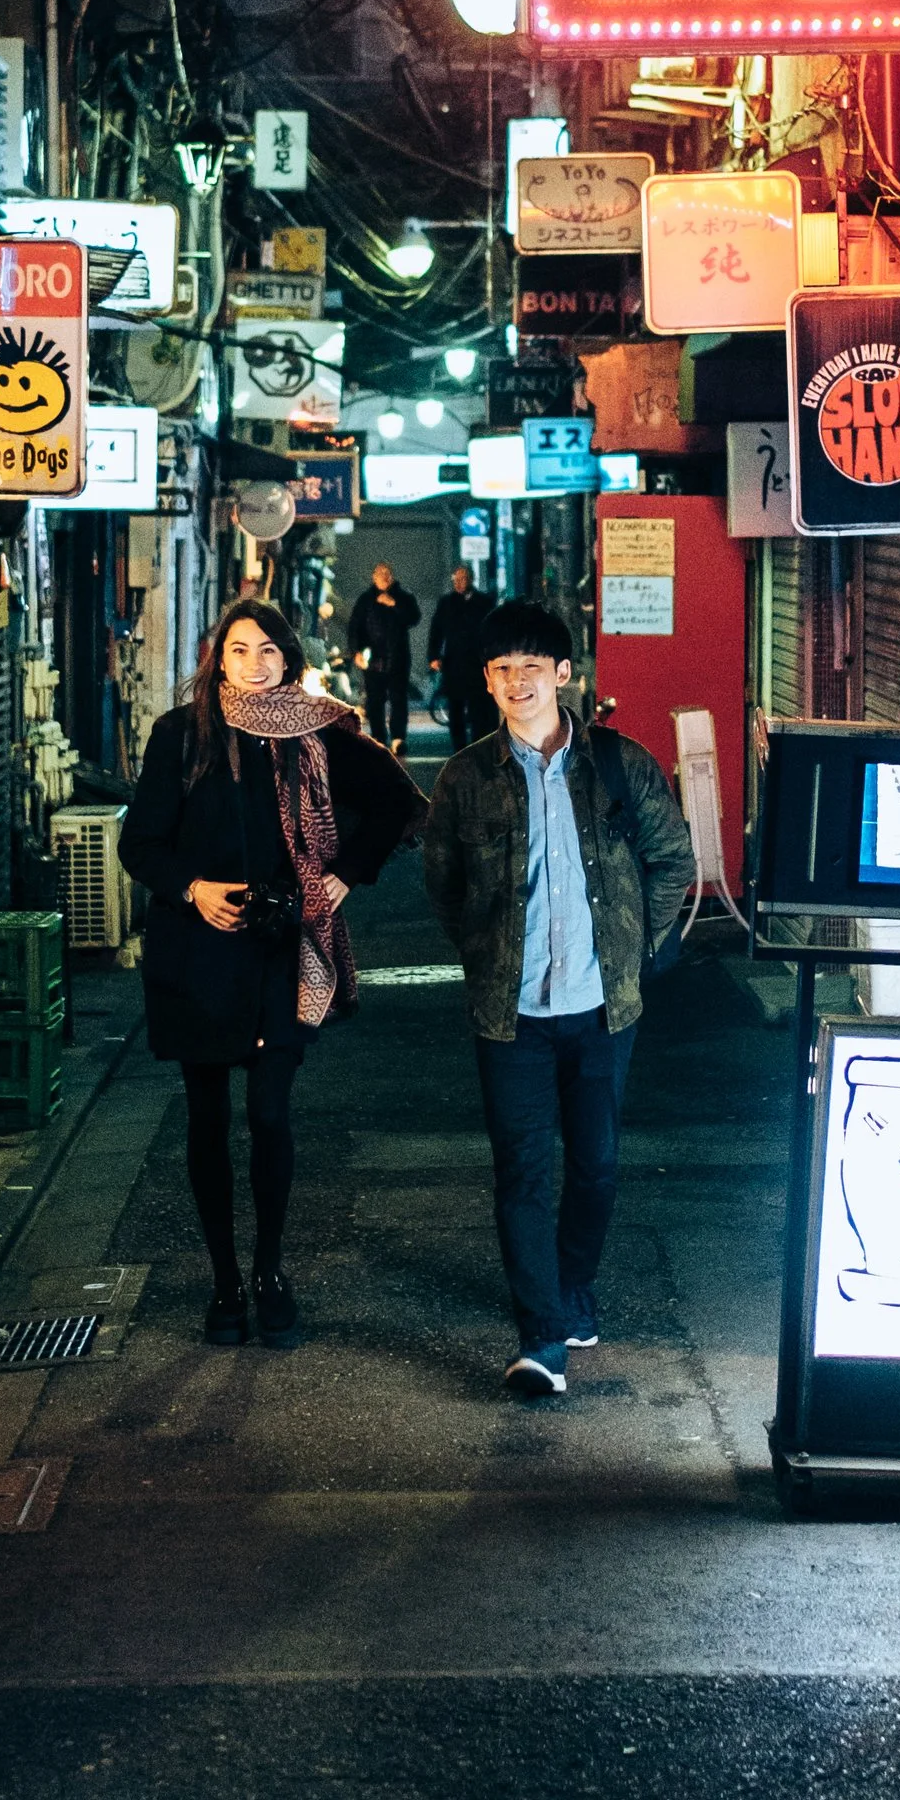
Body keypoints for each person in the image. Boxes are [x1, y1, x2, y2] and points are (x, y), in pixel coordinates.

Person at [124, 596, 423, 1347]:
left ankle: (270, 1270)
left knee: (269, 1115)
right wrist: (193, 889)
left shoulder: (318, 732)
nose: (254, 665)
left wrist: (347, 874)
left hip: (281, 948)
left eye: (267, 650)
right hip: (197, 951)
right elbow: (140, 843)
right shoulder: (180, 735)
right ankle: (224, 1279)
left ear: (288, 658)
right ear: (215, 659)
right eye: (238, 650)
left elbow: (396, 802)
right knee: (206, 1119)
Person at [422, 597, 695, 1400]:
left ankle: (573, 1287)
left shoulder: (617, 763)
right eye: (502, 670)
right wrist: (483, 952)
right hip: (511, 1016)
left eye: (531, 668)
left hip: (604, 1009)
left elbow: (672, 859)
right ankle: (541, 1335)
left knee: (599, 1166)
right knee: (520, 1175)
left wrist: (634, 956)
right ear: (487, 678)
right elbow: (444, 883)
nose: (517, 682)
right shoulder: (467, 776)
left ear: (563, 674)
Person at [347, 561, 421, 753]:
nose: (384, 577)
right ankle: (378, 737)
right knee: (375, 700)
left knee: (398, 699)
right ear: (374, 577)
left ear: (393, 576)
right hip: (373, 659)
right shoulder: (365, 600)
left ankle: (398, 738)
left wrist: (394, 605)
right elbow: (355, 627)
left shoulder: (404, 597)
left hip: (398, 657)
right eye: (380, 573)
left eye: (387, 573)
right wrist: (356, 651)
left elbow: (414, 617)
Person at [426, 562, 495, 750]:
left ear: (471, 579)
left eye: (463, 578)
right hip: (454, 661)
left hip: (477, 662)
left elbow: (492, 631)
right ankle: (460, 749)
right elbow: (436, 630)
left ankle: (479, 746)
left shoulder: (484, 602)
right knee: (455, 708)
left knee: (478, 708)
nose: (459, 582)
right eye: (456, 579)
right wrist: (433, 655)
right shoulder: (446, 603)